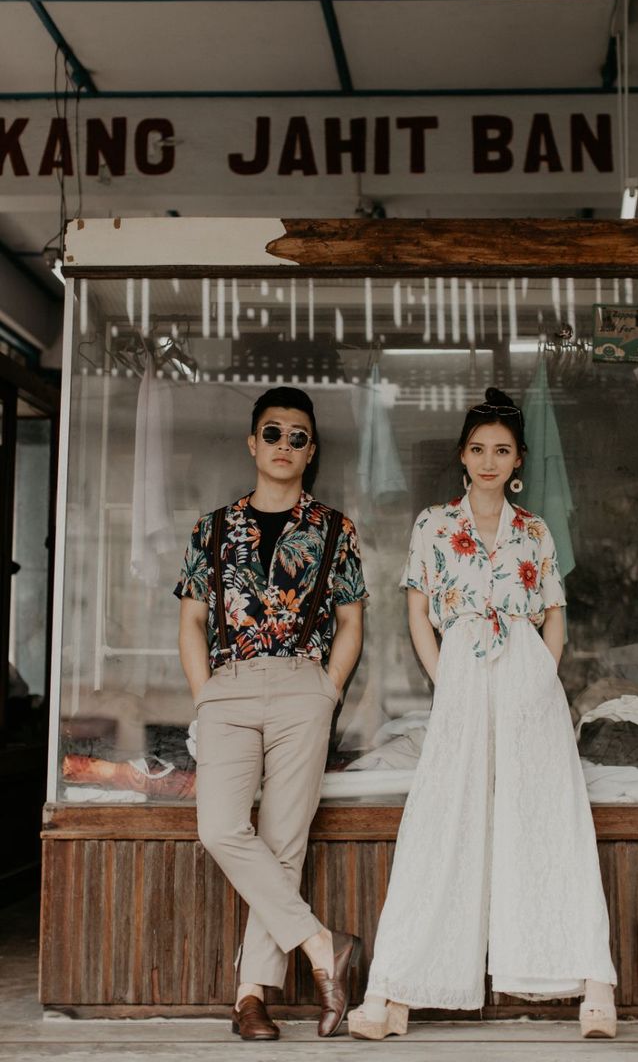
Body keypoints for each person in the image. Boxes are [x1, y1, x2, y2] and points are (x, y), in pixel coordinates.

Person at [348, 387, 617, 1042]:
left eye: (501, 449)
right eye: (478, 448)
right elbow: (417, 610)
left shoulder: (535, 530)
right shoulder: (433, 525)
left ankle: (594, 983)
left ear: (519, 459)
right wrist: (447, 679)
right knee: (441, 819)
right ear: (462, 458)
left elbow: (555, 614)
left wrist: (539, 679)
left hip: (527, 676)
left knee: (551, 815)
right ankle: (394, 987)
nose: (489, 459)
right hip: (463, 670)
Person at [175, 386, 367, 1041]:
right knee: (222, 827)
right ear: (252, 443)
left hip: (301, 689)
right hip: (228, 688)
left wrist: (328, 689)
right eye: (273, 432)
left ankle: (250, 996)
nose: (285, 444)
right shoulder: (213, 527)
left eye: (298, 436)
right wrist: (205, 696)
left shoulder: (336, 529)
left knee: (283, 842)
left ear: (310, 451)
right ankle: (322, 946)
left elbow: (351, 621)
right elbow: (192, 621)